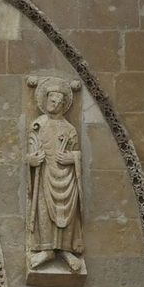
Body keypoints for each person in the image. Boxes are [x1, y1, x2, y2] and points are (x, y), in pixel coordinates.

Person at [26, 76, 85, 275]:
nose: (55, 103)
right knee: (44, 210)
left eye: (59, 101)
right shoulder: (38, 125)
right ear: (45, 100)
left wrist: (71, 158)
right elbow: (31, 151)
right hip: (45, 175)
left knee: (67, 212)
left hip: (66, 178)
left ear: (63, 105)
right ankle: (47, 249)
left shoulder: (70, 129)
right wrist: (32, 161)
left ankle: (66, 251)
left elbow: (76, 152)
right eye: (51, 99)